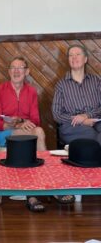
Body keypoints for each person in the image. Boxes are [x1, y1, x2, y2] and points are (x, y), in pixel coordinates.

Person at [0, 57, 47, 212]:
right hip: (5, 135)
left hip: (27, 134)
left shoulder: (31, 91)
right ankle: (42, 187)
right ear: (9, 71)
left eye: (20, 68)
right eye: (13, 68)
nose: (16, 71)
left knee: (39, 131)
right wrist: (12, 124)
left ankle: (37, 187)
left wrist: (22, 121)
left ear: (26, 71)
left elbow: (36, 120)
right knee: (37, 133)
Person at [52, 44, 101, 204]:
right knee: (92, 138)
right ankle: (90, 184)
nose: (74, 58)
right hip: (71, 127)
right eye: (71, 55)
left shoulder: (96, 81)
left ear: (85, 59)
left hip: (95, 120)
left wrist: (87, 116)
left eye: (78, 54)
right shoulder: (62, 85)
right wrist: (77, 119)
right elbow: (57, 114)